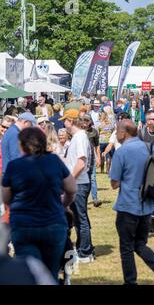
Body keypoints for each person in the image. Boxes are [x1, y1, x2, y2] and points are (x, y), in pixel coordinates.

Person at [2, 127, 77, 280]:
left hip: (24, 225)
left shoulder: (14, 166)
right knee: (51, 273)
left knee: (30, 273)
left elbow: (6, 197)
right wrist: (63, 205)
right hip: (53, 224)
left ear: (21, 145)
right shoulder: (54, 161)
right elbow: (71, 188)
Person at [109, 119, 154, 285]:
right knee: (140, 244)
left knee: (126, 247)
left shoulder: (122, 152)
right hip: (147, 206)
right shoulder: (150, 147)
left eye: (117, 131)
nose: (116, 134)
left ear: (124, 133)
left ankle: (130, 282)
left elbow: (114, 183)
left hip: (128, 206)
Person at [60, 109, 95, 263]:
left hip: (79, 183)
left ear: (71, 120)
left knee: (81, 219)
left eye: (65, 120)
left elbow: (81, 161)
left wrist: (70, 179)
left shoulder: (80, 137)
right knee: (78, 219)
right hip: (77, 183)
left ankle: (85, 252)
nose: (63, 123)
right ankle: (84, 247)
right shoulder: (76, 137)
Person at [81, 114, 102, 208]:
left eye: (87, 120)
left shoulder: (94, 132)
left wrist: (98, 157)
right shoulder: (79, 131)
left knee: (92, 178)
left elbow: (97, 145)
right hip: (82, 158)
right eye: (83, 120)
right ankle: (83, 199)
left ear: (90, 121)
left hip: (92, 157)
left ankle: (95, 199)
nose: (85, 122)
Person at [97, 110, 115, 174]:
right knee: (108, 156)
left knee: (101, 155)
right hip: (108, 142)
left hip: (101, 142)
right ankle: (107, 170)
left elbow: (97, 133)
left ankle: (102, 170)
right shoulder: (110, 124)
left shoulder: (99, 124)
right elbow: (113, 131)